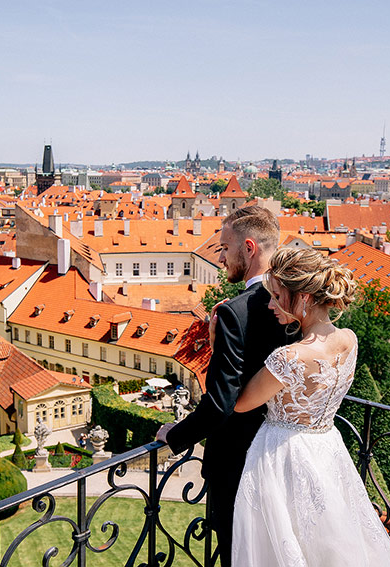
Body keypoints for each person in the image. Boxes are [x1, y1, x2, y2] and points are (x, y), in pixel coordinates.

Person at [231, 247, 390, 566]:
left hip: (284, 456)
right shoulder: (348, 340)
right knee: (331, 541)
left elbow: (241, 403)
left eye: (278, 295)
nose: (271, 304)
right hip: (328, 450)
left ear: (305, 299)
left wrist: (217, 342)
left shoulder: (290, 358)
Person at [156, 206, 299, 567]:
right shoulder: (298, 302)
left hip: (238, 464)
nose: (220, 257)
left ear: (249, 248)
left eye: (224, 247)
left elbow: (221, 403)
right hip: (288, 455)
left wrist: (174, 437)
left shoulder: (235, 312)